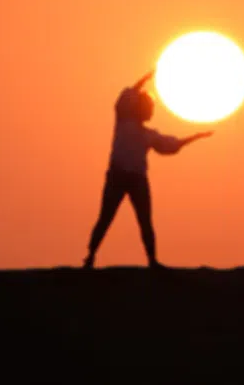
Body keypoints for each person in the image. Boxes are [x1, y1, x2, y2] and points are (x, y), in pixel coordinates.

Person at [83, 70, 212, 269]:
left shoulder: (148, 135)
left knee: (145, 221)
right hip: (117, 176)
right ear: (140, 109)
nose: (151, 112)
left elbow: (171, 145)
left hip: (137, 179)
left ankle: (152, 260)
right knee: (106, 217)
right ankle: (90, 256)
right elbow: (125, 98)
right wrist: (143, 80)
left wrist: (195, 137)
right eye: (149, 108)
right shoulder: (124, 121)